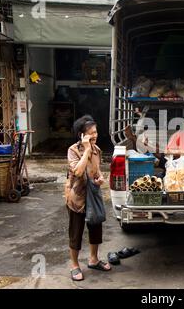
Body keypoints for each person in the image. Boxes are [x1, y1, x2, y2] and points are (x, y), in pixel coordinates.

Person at [65, 115, 111, 281]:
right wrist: (86, 150)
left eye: (96, 132)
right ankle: (75, 266)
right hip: (77, 198)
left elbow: (97, 172)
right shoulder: (73, 150)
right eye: (91, 133)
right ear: (82, 135)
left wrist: (100, 179)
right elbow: (77, 172)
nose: (95, 135)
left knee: (96, 227)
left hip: (93, 195)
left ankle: (93, 259)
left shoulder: (97, 150)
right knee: (76, 232)